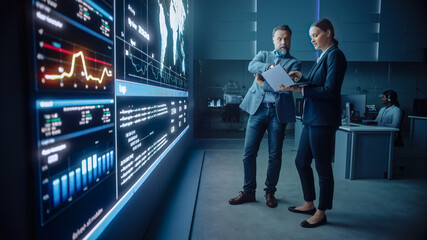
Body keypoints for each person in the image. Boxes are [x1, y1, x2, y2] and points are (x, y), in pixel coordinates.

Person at [278, 19, 347, 227]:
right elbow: (315, 82)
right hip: (312, 119)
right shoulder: (324, 56)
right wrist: (298, 78)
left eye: (315, 35)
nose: (312, 40)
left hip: (323, 121)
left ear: (328, 32)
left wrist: (297, 89)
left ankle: (321, 211)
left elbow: (330, 91)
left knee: (323, 167)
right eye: (310, 37)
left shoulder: (336, 55)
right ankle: (309, 202)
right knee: (301, 161)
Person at [229, 25, 301, 208]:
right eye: (279, 39)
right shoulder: (263, 54)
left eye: (286, 39)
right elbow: (251, 66)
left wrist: (261, 81)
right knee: (248, 153)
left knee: (275, 155)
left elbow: (284, 88)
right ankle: (248, 192)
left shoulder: (294, 64)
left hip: (278, 114)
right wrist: (270, 68)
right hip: (258, 110)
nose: (283, 42)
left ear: (290, 40)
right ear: (273, 40)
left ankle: (270, 192)